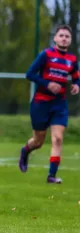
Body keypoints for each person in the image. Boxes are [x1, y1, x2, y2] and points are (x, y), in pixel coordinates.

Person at [19, 24, 80, 184]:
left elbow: (76, 76)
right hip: (41, 103)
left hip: (59, 105)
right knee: (38, 141)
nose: (64, 38)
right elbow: (30, 74)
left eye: (67, 36)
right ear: (55, 38)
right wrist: (47, 84)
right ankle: (25, 151)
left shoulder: (72, 60)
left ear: (70, 40)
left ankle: (51, 176)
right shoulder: (46, 55)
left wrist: (76, 84)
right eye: (61, 35)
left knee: (57, 138)